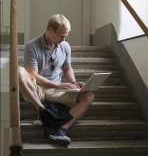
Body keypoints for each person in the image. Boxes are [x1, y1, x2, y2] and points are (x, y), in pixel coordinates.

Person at [19, 14, 94, 146]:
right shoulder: (31, 46)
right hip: (37, 89)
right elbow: (33, 75)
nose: (63, 39)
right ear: (50, 30)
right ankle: (43, 111)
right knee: (19, 71)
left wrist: (74, 84)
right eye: (61, 35)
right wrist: (58, 85)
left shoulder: (64, 46)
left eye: (65, 35)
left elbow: (67, 68)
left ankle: (61, 130)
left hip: (57, 90)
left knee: (88, 96)